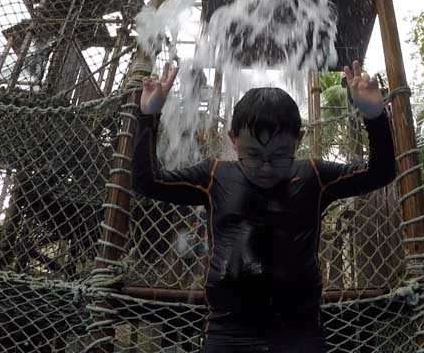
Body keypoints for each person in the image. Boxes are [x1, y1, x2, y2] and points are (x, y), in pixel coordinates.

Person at [132, 60, 396, 352]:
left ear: (299, 141)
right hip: (228, 331)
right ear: (234, 141)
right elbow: (148, 183)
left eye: (280, 155)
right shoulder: (215, 176)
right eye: (254, 155)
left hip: (300, 331)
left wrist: (375, 117)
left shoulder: (314, 176)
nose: (266, 167)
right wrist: (148, 116)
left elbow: (380, 173)